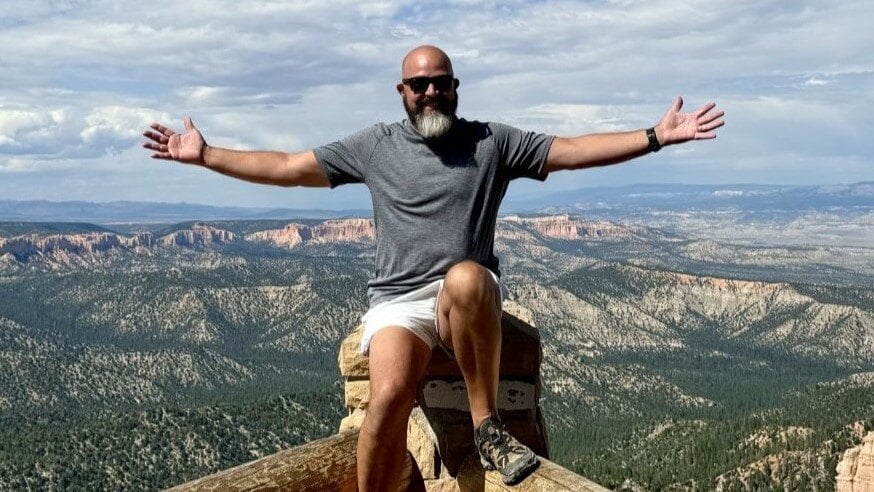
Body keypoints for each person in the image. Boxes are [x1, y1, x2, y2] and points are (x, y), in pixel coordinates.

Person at [143, 45, 723, 489]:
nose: (429, 93)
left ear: (455, 88)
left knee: (467, 274)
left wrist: (655, 136)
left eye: (439, 84)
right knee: (390, 395)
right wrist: (206, 156)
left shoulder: (491, 142)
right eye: (418, 85)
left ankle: (487, 427)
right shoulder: (375, 146)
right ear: (401, 89)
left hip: (463, 300)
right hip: (397, 302)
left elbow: (570, 151)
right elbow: (291, 166)